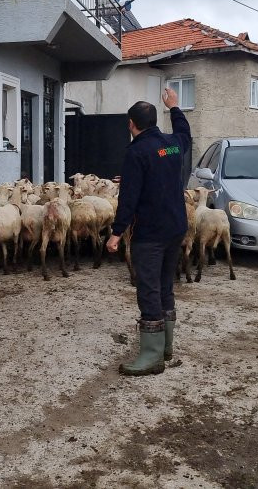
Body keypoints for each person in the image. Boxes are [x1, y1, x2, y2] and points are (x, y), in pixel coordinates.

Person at [106, 87, 191, 376]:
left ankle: (152, 355)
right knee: (165, 285)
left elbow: (129, 198)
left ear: (132, 124)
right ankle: (166, 346)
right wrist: (175, 107)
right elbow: (184, 133)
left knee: (149, 289)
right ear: (155, 121)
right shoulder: (172, 145)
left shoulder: (137, 152)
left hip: (151, 234)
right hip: (176, 228)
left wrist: (117, 233)